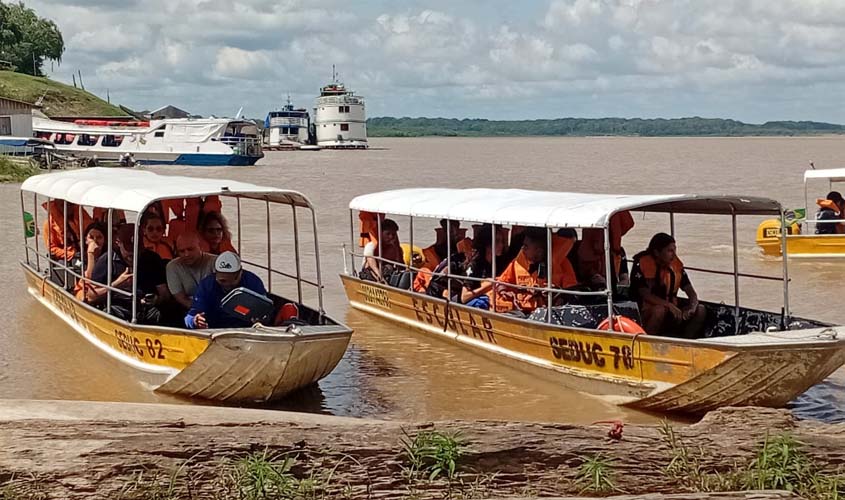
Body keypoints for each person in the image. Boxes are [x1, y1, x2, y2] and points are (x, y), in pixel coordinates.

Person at [87, 224, 171, 324]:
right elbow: (91, 296)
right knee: (109, 313)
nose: (133, 255)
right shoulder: (107, 260)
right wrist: (117, 284)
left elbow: (164, 293)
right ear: (118, 243)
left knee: (168, 312)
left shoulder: (152, 259)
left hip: (147, 309)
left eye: (137, 250)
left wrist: (156, 300)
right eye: (129, 250)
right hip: (119, 308)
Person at [630, 233, 706, 338]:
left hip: (672, 311)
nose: (674, 255)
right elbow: (644, 294)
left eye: (675, 250)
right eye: (670, 251)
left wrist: (692, 307)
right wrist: (669, 305)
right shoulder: (641, 264)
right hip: (646, 313)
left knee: (701, 309)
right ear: (657, 252)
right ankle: (648, 341)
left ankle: (686, 341)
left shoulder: (676, 266)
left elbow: (691, 291)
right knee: (659, 310)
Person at [490, 228, 577, 314]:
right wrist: (504, 291)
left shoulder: (562, 264)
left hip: (550, 313)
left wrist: (556, 292)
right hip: (520, 311)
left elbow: (572, 294)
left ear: (539, 251)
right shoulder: (518, 263)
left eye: (526, 246)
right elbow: (502, 282)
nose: (522, 249)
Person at [185, 252, 267, 329]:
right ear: (215, 274)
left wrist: (260, 319)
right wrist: (195, 321)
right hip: (214, 330)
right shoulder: (206, 286)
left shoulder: (253, 282)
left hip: (246, 329)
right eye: (222, 280)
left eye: (233, 280)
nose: (227, 284)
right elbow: (190, 316)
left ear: (240, 273)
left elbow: (265, 311)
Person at [577, 211, 634, 288]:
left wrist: (623, 282)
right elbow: (584, 273)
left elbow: (624, 276)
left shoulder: (619, 252)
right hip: (590, 290)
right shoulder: (583, 252)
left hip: (613, 289)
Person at [166, 232, 217, 310]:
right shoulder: (172, 266)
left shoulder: (216, 262)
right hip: (189, 309)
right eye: (182, 251)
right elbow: (181, 298)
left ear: (200, 247)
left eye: (190, 249)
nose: (186, 254)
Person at [360, 218, 404, 283]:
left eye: (393, 234)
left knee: (390, 268)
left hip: (387, 272)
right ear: (380, 233)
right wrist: (381, 278)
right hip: (370, 272)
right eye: (388, 234)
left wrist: (397, 249)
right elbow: (372, 265)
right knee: (388, 268)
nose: (391, 237)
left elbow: (400, 264)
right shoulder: (371, 245)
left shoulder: (393, 247)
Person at [73, 221, 107, 300]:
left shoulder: (108, 257)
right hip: (85, 291)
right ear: (86, 240)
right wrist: (91, 254)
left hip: (102, 290)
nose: (95, 241)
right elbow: (89, 279)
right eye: (91, 237)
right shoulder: (79, 258)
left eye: (99, 237)